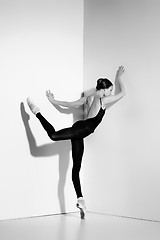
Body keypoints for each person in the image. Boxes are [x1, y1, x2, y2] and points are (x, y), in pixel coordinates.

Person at [27, 66, 126, 219]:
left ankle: (81, 200)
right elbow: (123, 93)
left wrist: (53, 100)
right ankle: (37, 112)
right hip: (84, 129)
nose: (111, 93)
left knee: (76, 169)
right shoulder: (103, 100)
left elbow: (68, 104)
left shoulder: (88, 98)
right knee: (53, 135)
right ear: (105, 90)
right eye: (110, 90)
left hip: (79, 128)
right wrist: (119, 77)